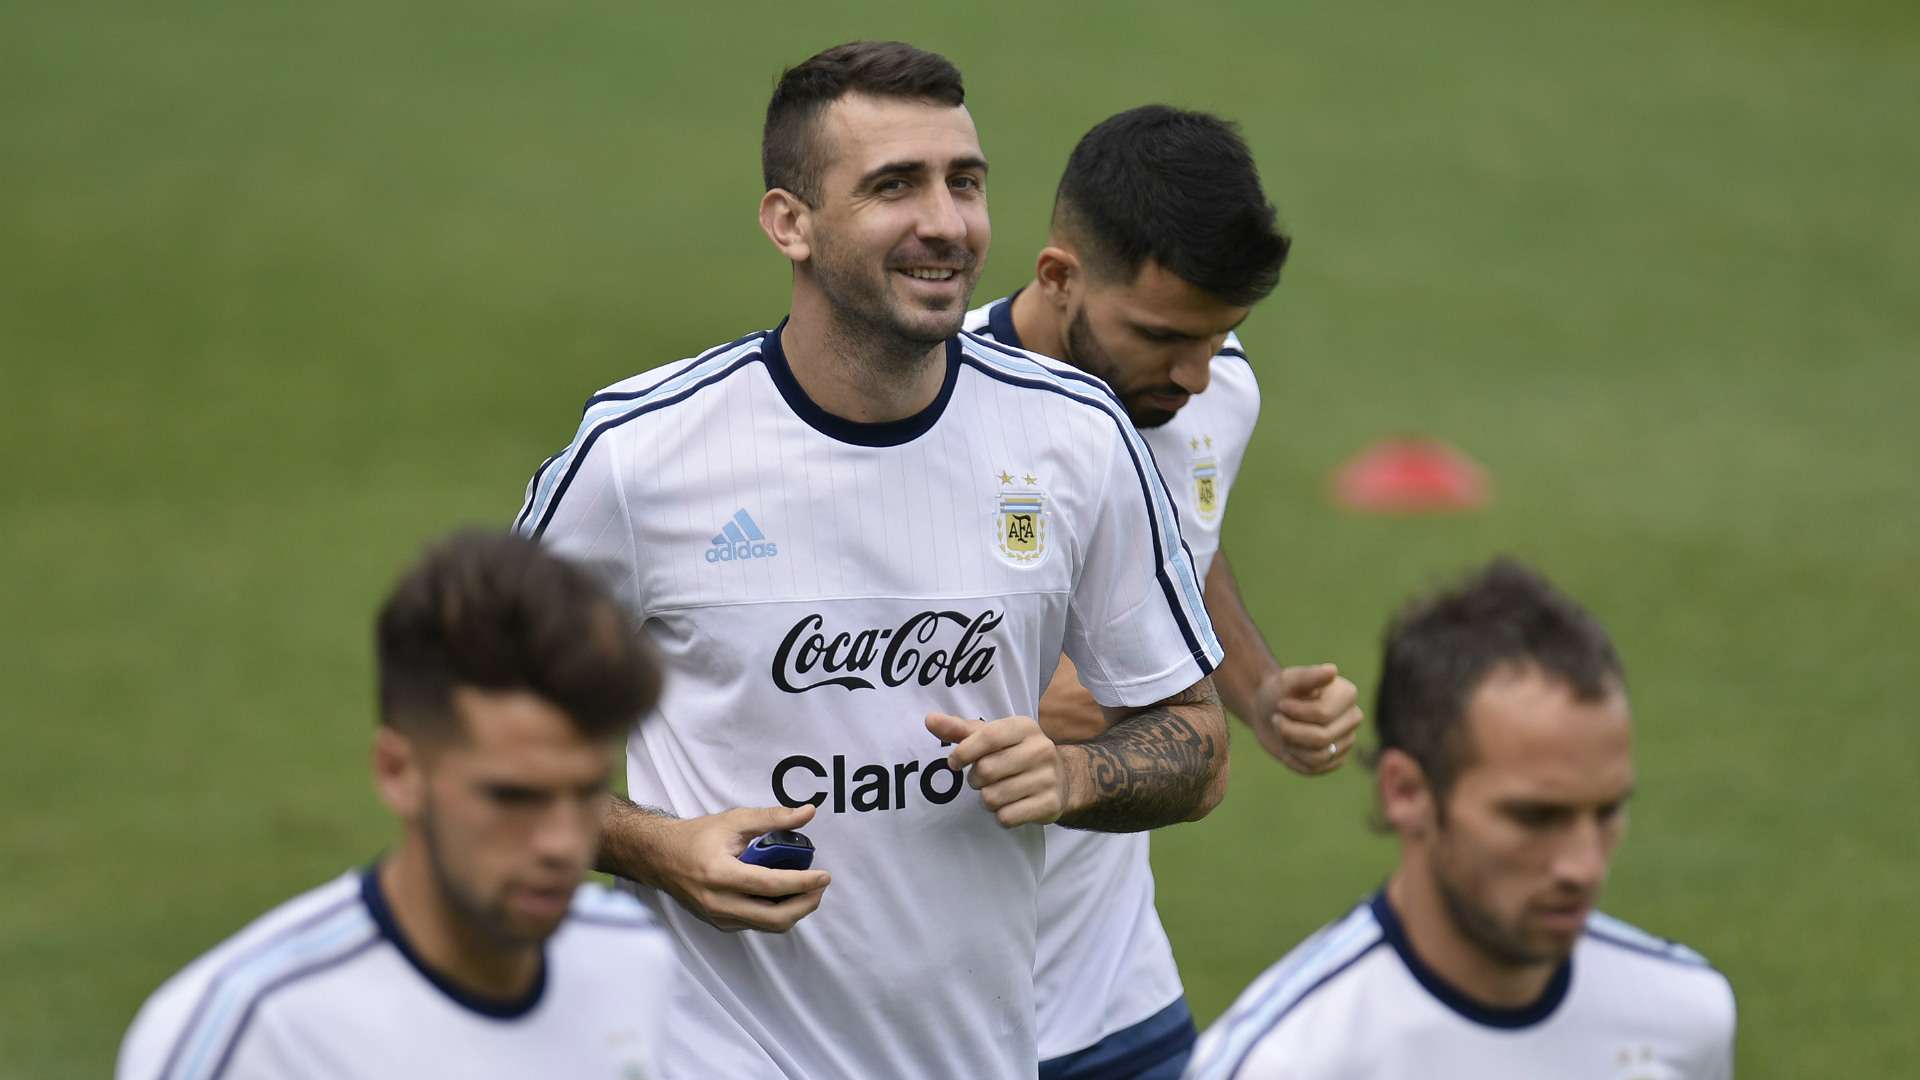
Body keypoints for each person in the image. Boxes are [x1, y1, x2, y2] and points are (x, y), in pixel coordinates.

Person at [513, 40, 1231, 1080]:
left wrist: (1074, 774)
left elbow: (1197, 744)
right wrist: (659, 850)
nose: (945, 222)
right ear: (788, 222)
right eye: (894, 185)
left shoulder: (1075, 438)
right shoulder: (641, 457)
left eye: (965, 182)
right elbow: (469, 747)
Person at [963, 105, 1363, 1078]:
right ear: (1058, 276)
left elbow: (1186, 545)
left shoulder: (1215, 391)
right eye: (1162, 336)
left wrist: (1256, 689)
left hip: (1117, 1000)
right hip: (938, 1014)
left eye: (1222, 334)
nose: (1193, 374)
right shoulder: (933, 410)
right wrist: (1016, 693)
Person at [116, 531, 677, 1080]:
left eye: (585, 793)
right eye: (512, 797)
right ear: (398, 771)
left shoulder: (631, 961)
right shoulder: (249, 1034)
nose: (561, 844)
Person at [1186, 559, 1737, 1079]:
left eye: (1609, 812)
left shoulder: (1687, 1016)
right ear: (1407, 793)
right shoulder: (1285, 1063)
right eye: (1534, 817)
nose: (1584, 867)